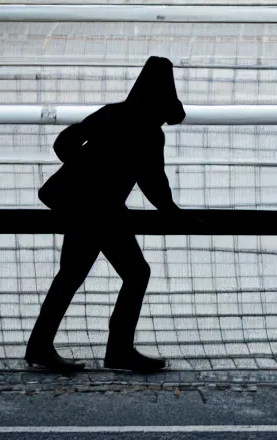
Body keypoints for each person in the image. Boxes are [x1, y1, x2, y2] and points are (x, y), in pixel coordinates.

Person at [25, 56, 189, 373]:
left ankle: (40, 345)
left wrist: (84, 165)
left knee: (70, 276)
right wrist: (174, 213)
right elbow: (153, 181)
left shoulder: (112, 113)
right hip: (103, 210)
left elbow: (64, 142)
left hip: (78, 204)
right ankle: (118, 350)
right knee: (136, 273)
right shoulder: (150, 133)